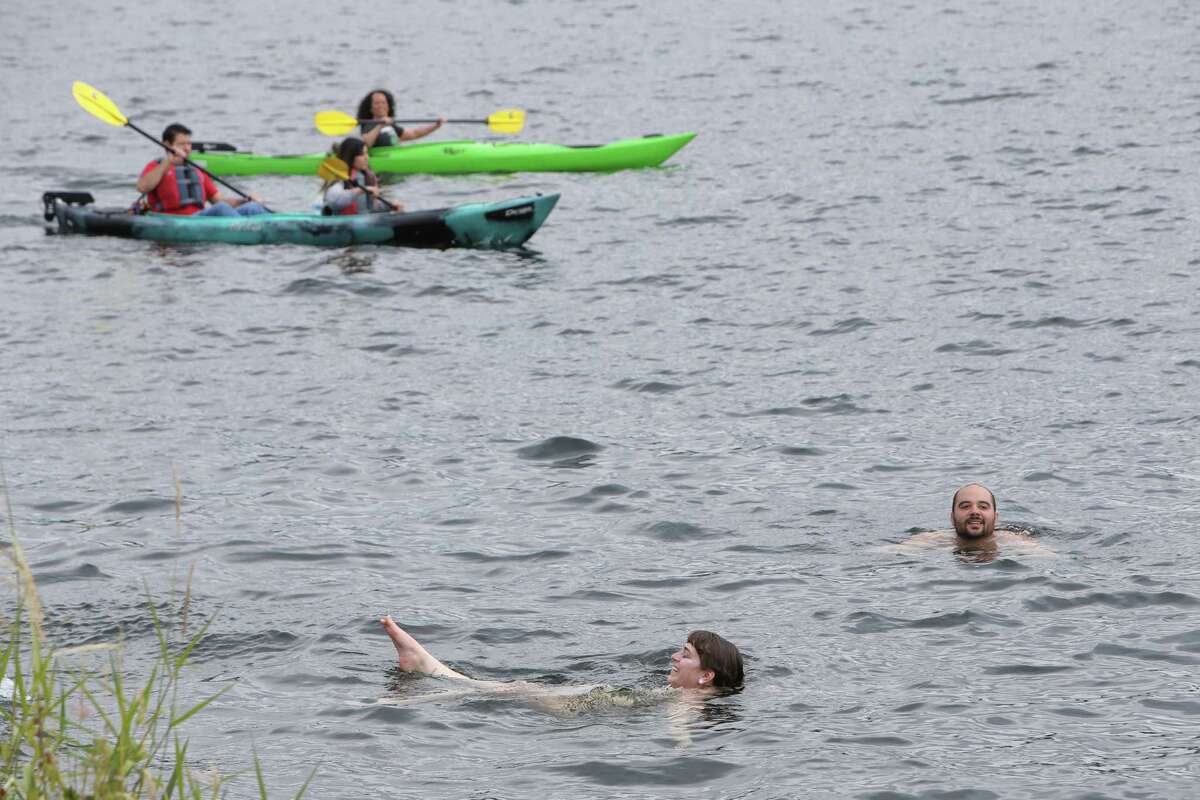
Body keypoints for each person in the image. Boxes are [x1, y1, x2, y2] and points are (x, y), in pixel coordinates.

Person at [379, 615, 743, 698]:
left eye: (686, 654)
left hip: (593, 709)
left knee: (518, 689)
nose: (674, 656)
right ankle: (432, 672)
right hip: (602, 700)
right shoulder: (686, 697)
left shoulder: (691, 705)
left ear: (706, 675)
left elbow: (680, 728)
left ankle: (431, 671)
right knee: (515, 689)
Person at [888, 483, 1055, 560]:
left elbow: (1050, 558)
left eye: (983, 506)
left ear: (995, 518)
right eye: (965, 506)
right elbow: (889, 553)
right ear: (952, 518)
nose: (974, 511)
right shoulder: (933, 540)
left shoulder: (1014, 541)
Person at [136, 123, 266, 217]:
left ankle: (270, 230)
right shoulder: (156, 166)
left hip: (200, 218)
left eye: (189, 143)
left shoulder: (196, 170)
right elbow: (142, 187)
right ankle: (248, 230)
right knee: (221, 209)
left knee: (253, 208)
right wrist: (168, 161)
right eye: (182, 144)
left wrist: (243, 200)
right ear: (167, 145)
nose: (187, 148)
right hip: (175, 221)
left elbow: (219, 201)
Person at [321, 138, 402, 215]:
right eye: (362, 154)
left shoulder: (368, 176)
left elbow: (372, 208)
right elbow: (334, 202)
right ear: (351, 157)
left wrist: (390, 206)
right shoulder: (338, 177)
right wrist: (361, 190)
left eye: (367, 153)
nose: (367, 157)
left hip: (363, 221)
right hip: (342, 225)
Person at [356, 89, 446, 148]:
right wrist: (380, 125)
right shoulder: (368, 124)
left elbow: (414, 133)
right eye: (377, 103)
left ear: (388, 106)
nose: (381, 106)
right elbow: (366, 142)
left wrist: (436, 125)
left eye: (383, 103)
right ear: (371, 108)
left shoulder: (390, 125)